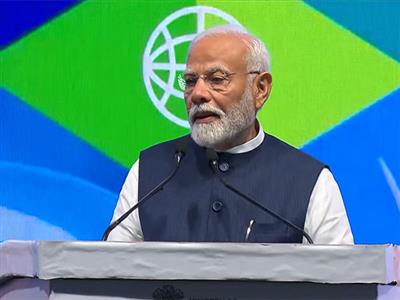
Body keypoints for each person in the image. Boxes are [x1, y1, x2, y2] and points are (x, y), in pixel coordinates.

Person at [108, 25, 353, 244]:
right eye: (190, 81)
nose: (198, 94)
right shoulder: (151, 171)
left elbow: (342, 282)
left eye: (217, 79)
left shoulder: (309, 180)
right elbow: (110, 274)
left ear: (260, 89)